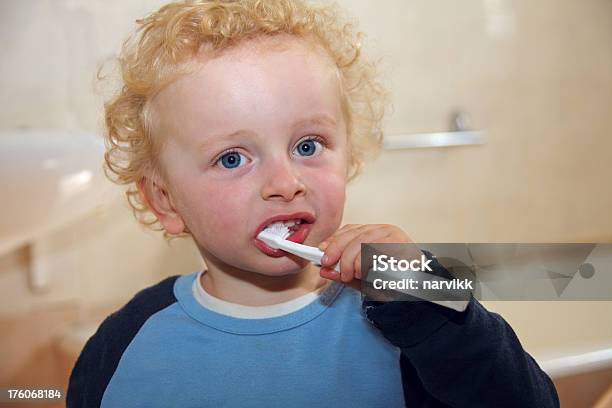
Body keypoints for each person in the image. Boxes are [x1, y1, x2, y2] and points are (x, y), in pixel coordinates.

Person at [67, 1, 559, 406]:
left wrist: (430, 298)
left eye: (307, 145)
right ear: (166, 200)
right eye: (233, 158)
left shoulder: (408, 322)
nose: (285, 182)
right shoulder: (127, 341)